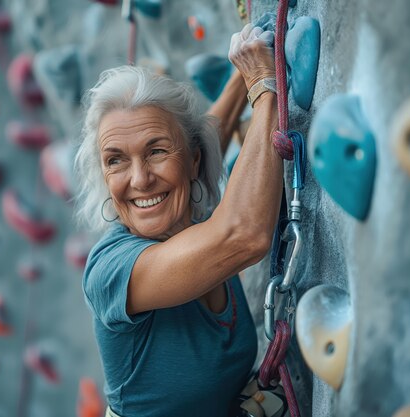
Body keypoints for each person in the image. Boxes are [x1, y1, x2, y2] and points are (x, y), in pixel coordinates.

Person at [74, 22, 282, 417]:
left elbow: (198, 143)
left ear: (193, 161)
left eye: (155, 152)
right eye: (115, 160)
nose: (139, 180)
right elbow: (245, 236)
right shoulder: (110, 271)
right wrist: (263, 85)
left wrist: (241, 77)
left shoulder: (185, 216)